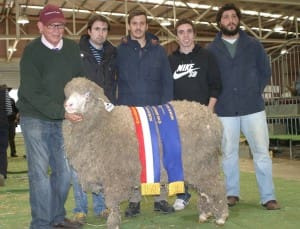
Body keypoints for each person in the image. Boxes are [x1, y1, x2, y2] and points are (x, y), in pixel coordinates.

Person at [207, 3, 280, 210]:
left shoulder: (254, 45)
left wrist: (254, 91)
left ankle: (268, 196)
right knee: (229, 153)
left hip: (253, 108)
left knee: (261, 152)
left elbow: (265, 71)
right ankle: (231, 193)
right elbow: (210, 78)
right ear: (219, 22)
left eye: (233, 17)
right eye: (226, 17)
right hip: (225, 109)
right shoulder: (211, 50)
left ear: (238, 20)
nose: (230, 20)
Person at [17, 4, 84, 228]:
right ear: (40, 27)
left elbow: (79, 81)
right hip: (34, 118)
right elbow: (31, 92)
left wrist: (78, 105)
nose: (57, 30)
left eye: (61, 26)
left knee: (64, 174)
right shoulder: (32, 51)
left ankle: (56, 218)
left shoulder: (72, 50)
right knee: (39, 174)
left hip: (62, 120)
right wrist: (61, 112)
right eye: (52, 26)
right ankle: (41, 223)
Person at [116, 10, 174, 217]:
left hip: (155, 112)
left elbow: (167, 81)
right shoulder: (120, 50)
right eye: (134, 23)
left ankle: (161, 199)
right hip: (129, 112)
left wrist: (166, 108)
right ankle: (134, 201)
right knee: (133, 157)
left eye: (142, 23)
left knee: (159, 154)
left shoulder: (159, 51)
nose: (138, 27)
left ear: (147, 26)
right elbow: (115, 81)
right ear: (129, 26)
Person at [168, 19, 222, 211]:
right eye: (181, 32)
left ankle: (206, 193)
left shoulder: (207, 57)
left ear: (195, 34)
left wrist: (208, 111)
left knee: (204, 158)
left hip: (203, 118)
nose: (185, 36)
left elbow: (216, 85)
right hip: (179, 121)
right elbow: (167, 91)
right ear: (176, 36)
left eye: (189, 31)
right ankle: (182, 194)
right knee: (180, 157)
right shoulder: (171, 60)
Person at [71, 14, 116, 224]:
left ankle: (100, 206)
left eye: (104, 29)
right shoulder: (76, 53)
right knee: (79, 162)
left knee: (101, 161)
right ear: (89, 31)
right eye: (97, 29)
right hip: (82, 114)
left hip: (104, 114)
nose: (101, 33)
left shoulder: (112, 53)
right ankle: (80, 208)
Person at [0, 85, 12, 186]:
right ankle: (2, 173)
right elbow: (9, 111)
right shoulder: (4, 91)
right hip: (2, 124)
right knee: (2, 150)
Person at [7, 88, 19, 157]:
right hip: (3, 122)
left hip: (12, 121)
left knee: (12, 137)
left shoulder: (12, 100)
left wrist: (16, 119)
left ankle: (13, 153)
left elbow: (16, 110)